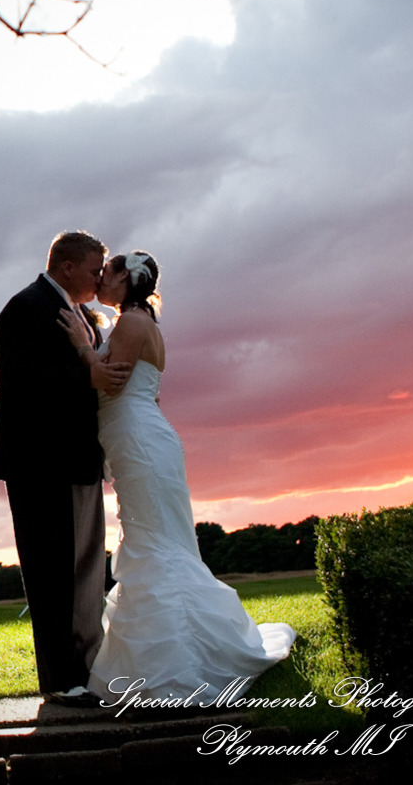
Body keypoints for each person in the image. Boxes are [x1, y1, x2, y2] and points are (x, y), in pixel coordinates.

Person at [58, 250, 296, 706]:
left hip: (140, 441)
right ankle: (177, 654)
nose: (100, 277)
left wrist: (81, 346)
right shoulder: (137, 322)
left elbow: (111, 383)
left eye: (107, 271)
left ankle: (181, 667)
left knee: (154, 543)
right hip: (140, 440)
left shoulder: (131, 324)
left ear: (127, 278)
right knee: (157, 539)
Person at [0, 230, 130, 700]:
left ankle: (86, 667)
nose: (99, 278)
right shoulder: (24, 307)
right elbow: (23, 379)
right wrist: (87, 374)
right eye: (94, 270)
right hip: (40, 462)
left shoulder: (82, 315)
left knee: (87, 569)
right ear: (66, 266)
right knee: (53, 572)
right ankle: (63, 680)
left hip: (77, 458)